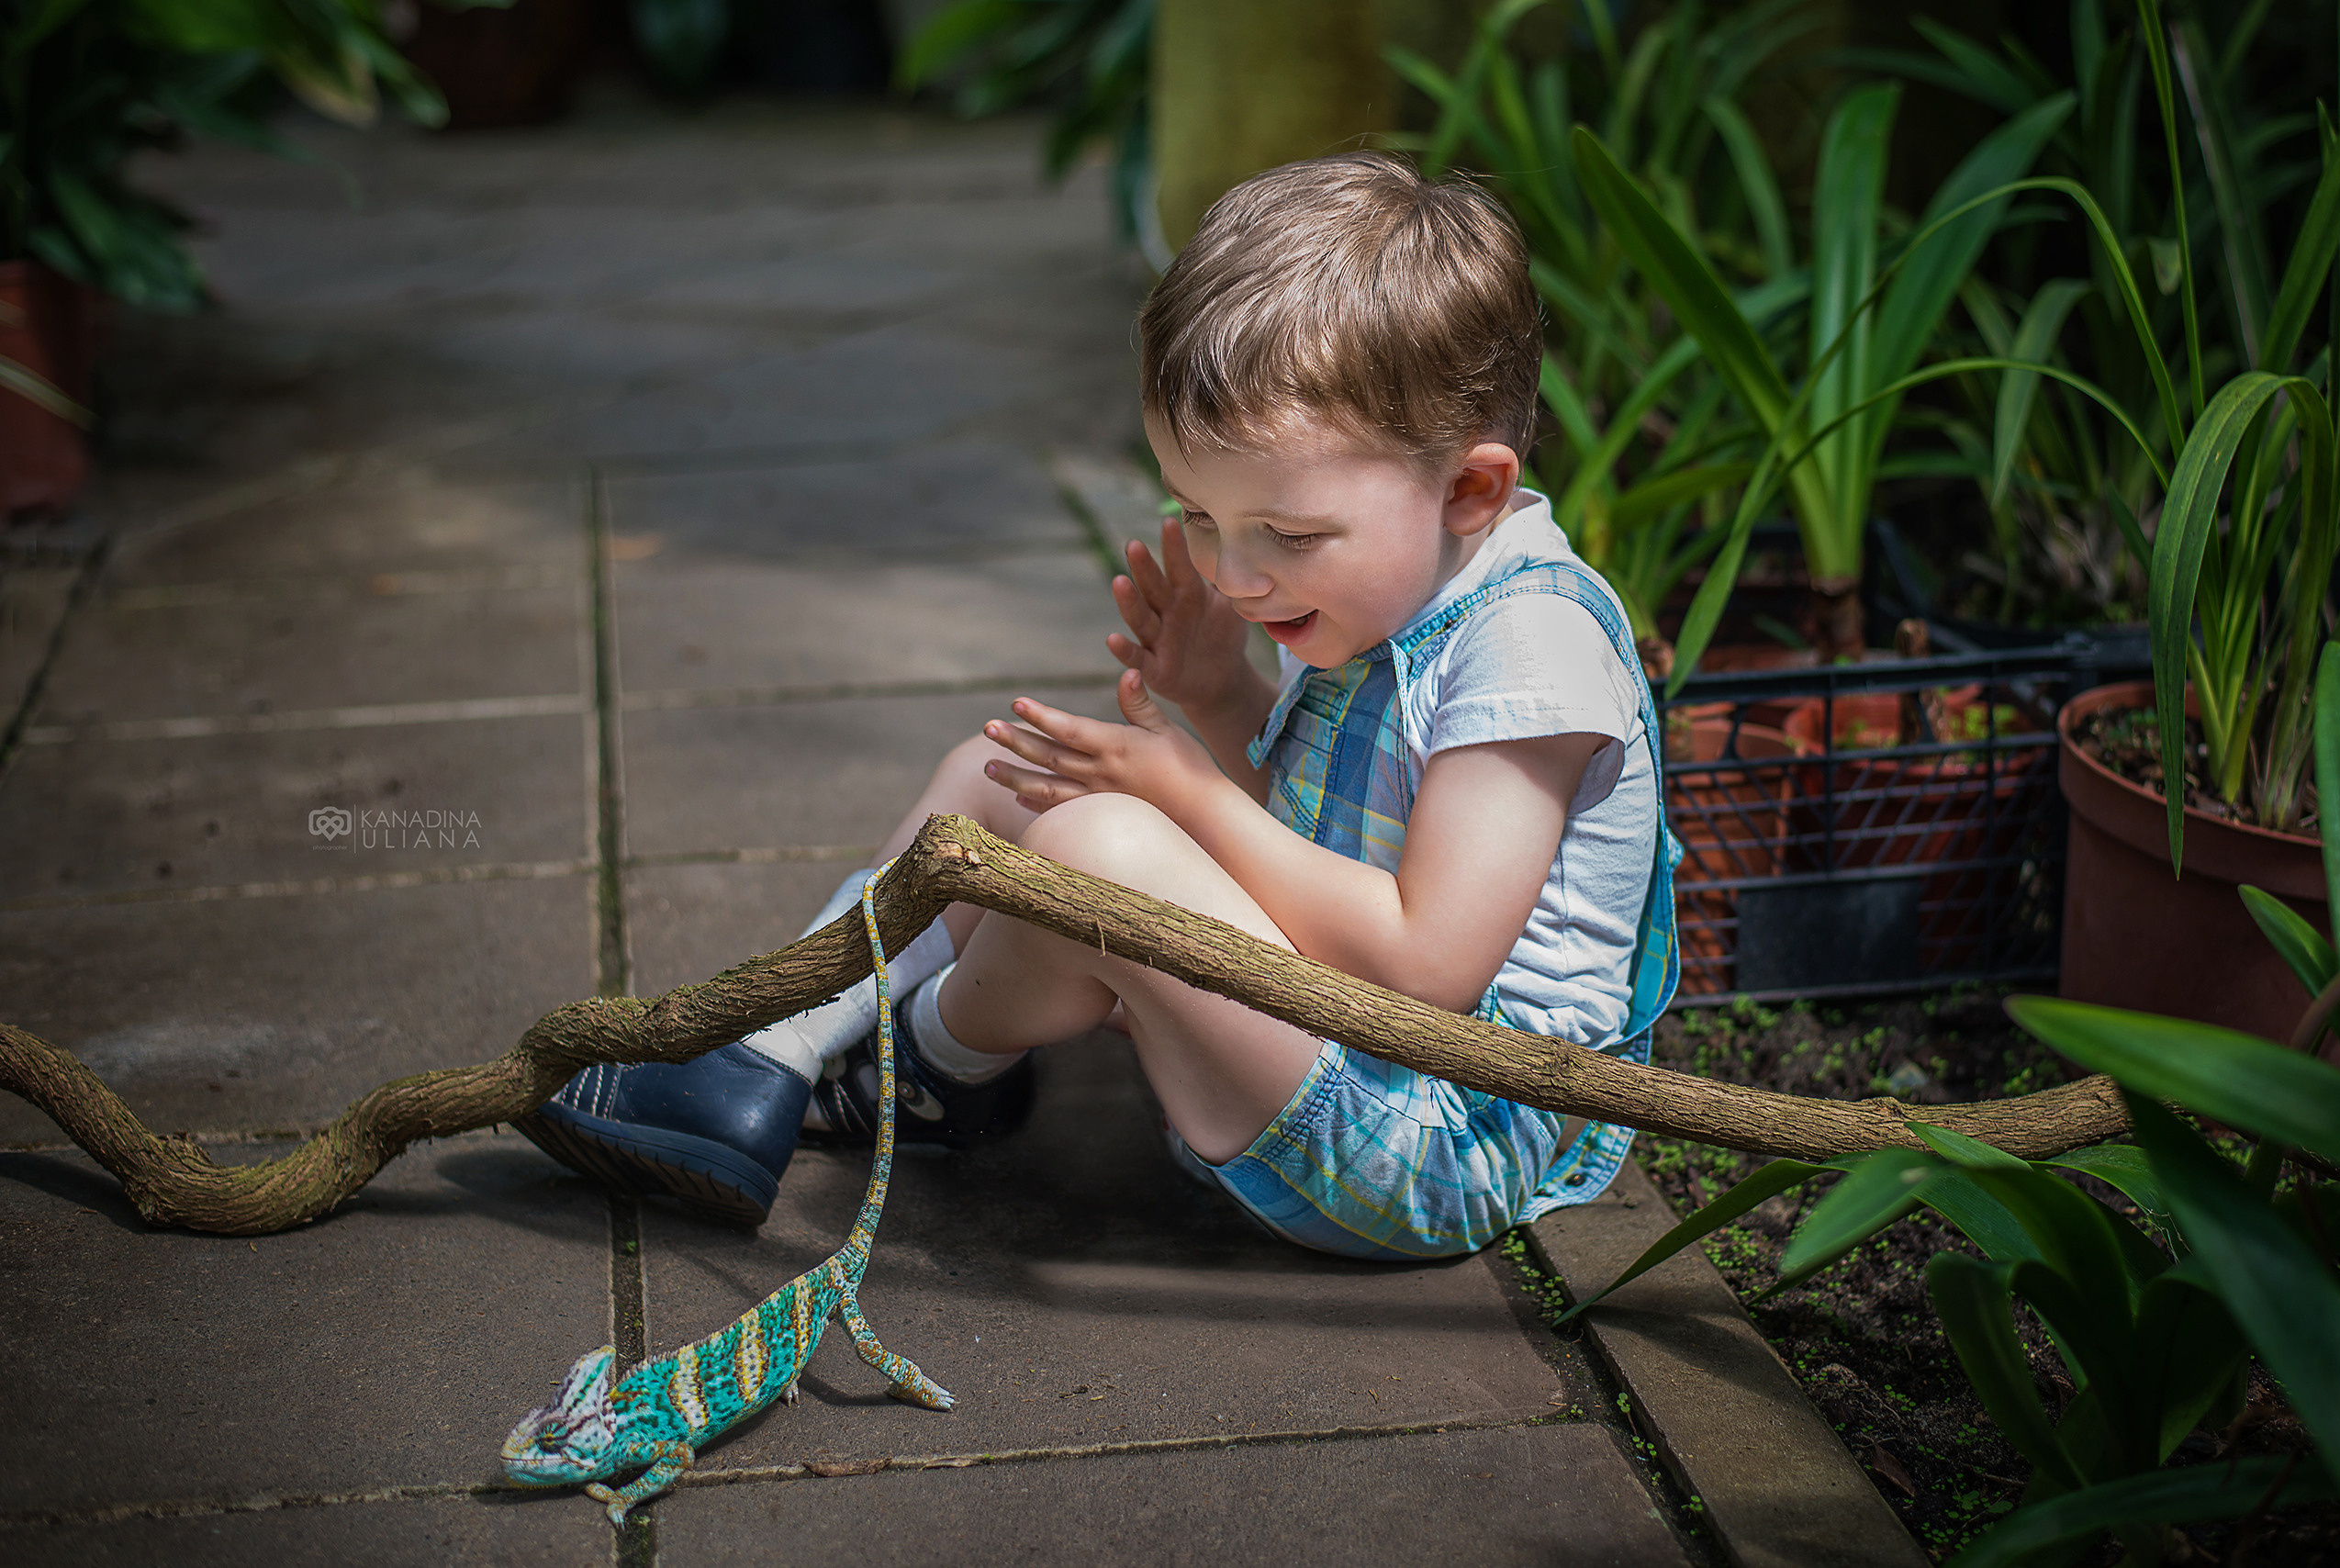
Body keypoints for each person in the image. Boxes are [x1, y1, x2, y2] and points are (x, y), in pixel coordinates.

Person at [515, 151, 1679, 1260]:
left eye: (1285, 533)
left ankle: (920, 1073)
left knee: (1096, 841)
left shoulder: (1530, 649)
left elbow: (1423, 967)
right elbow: (1318, 842)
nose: (1234, 572)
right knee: (1005, 771)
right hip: (1332, 1044)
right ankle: (774, 1039)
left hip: (1430, 1142)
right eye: (1200, 516)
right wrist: (1221, 701)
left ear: (1471, 488)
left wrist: (1183, 795)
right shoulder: (1391, 578)